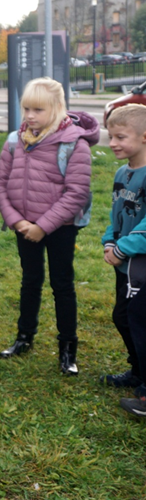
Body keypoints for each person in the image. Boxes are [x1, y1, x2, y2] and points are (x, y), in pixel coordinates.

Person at [0, 78, 97, 375]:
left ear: (56, 108)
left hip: (59, 228)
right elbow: (1, 182)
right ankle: (24, 337)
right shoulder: (16, 139)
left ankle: (67, 349)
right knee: (30, 281)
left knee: (62, 285)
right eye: (26, 108)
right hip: (24, 227)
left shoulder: (73, 143)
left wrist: (43, 226)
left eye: (38, 109)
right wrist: (17, 221)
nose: (29, 115)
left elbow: (76, 192)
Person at [100, 104, 146, 395]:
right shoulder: (121, 172)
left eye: (120, 137)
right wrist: (109, 241)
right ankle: (138, 369)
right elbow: (116, 213)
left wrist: (124, 248)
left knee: (135, 318)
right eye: (110, 136)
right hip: (122, 261)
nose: (113, 143)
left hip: (139, 263)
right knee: (123, 316)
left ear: (144, 137)